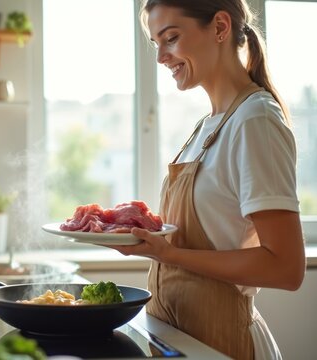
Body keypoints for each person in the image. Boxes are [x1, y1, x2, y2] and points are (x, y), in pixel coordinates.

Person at [108, 1, 306, 359]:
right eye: (156, 44)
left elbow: (286, 268)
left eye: (171, 38)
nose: (161, 58)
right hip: (181, 341)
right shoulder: (208, 125)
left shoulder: (254, 120)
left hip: (225, 343)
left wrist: (171, 254)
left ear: (219, 27)